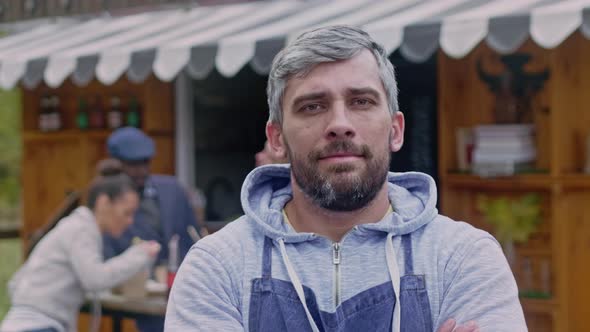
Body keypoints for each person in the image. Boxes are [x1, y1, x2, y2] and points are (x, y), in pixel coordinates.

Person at [165, 26, 526, 332]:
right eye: (313, 106)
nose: (339, 123)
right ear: (277, 138)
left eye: (361, 101)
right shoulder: (217, 266)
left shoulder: (462, 258)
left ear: (396, 130)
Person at [1, 159, 160, 332]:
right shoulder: (81, 229)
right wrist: (140, 254)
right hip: (36, 326)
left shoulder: (80, 226)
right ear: (103, 202)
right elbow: (95, 279)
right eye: (127, 213)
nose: (130, 221)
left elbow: (17, 282)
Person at [103, 127, 200, 332]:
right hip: (141, 298)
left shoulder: (173, 189)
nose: (142, 171)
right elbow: (108, 256)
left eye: (145, 162)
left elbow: (195, 238)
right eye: (133, 164)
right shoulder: (108, 206)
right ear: (117, 165)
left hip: (188, 292)